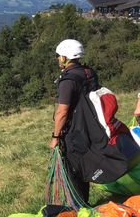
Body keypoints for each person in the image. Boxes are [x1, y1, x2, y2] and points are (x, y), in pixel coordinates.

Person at [50, 39, 139, 202]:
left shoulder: (68, 81)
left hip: (76, 131)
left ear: (64, 57)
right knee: (85, 163)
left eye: (58, 56)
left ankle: (79, 205)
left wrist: (55, 137)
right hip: (92, 127)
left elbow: (62, 111)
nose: (58, 59)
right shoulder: (88, 72)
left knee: (75, 169)